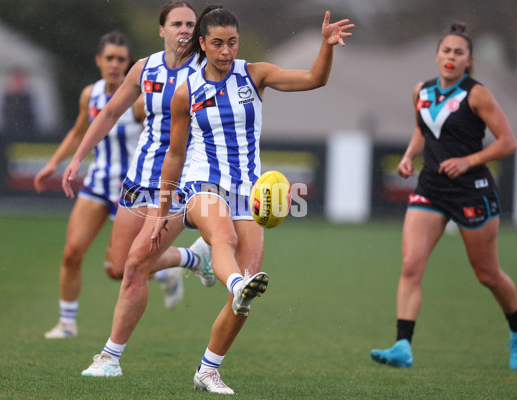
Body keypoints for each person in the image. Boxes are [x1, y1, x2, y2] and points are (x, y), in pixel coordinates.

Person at [150, 5, 353, 393]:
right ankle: (228, 277)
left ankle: (208, 369)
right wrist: (164, 209)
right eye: (217, 44)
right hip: (201, 184)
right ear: (201, 44)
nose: (226, 51)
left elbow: (314, 79)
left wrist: (326, 46)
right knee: (223, 238)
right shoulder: (185, 91)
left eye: (232, 42)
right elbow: (175, 155)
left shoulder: (254, 74)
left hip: (247, 191)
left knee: (245, 296)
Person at [61, 1, 215, 368]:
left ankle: (109, 358)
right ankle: (193, 258)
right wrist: (79, 155)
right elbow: (110, 112)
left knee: (134, 267)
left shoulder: (207, 72)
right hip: (137, 179)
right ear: (161, 29)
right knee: (118, 267)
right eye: (177, 23)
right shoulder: (144, 68)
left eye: (191, 24)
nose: (185, 30)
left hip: (176, 185)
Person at [370, 23, 517, 369]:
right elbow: (424, 129)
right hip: (431, 189)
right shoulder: (421, 91)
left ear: (469, 60)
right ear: (437, 55)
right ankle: (402, 346)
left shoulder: (477, 94)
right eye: (446, 51)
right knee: (410, 265)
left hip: (472, 190)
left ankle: (515, 332)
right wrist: (409, 156)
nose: (451, 57)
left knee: (488, 275)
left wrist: (470, 160)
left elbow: (508, 142)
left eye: (459, 53)